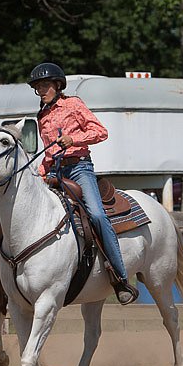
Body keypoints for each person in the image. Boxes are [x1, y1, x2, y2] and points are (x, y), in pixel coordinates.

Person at [28, 62, 138, 304]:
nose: (41, 90)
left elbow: (100, 131)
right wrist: (38, 173)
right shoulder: (42, 115)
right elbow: (47, 152)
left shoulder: (74, 104)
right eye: (37, 87)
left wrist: (73, 138)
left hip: (79, 168)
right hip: (55, 173)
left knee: (97, 215)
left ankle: (120, 278)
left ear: (57, 85)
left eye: (45, 85)